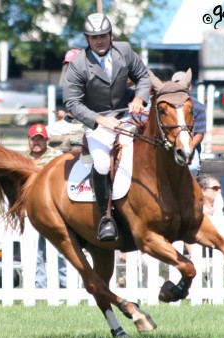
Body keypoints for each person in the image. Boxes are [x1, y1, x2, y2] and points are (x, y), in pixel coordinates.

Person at [63, 12, 151, 242]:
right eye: (94, 37)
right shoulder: (78, 64)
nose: (99, 40)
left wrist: (139, 99)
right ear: (87, 39)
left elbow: (143, 77)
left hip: (128, 112)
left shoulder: (125, 50)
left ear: (110, 35)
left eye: (103, 35)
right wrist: (100, 120)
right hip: (98, 120)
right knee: (102, 163)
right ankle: (107, 217)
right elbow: (71, 102)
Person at [27, 124, 67, 288]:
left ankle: (65, 285)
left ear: (46, 140)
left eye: (40, 139)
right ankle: (39, 287)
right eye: (34, 139)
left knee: (62, 250)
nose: (37, 142)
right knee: (37, 252)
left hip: (54, 210)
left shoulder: (55, 157)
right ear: (28, 140)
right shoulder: (24, 160)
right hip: (31, 212)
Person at [171, 69, 206, 177]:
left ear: (189, 87)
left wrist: (187, 147)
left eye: (183, 85)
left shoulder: (198, 107)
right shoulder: (165, 105)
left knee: (193, 167)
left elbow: (199, 134)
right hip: (166, 146)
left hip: (189, 146)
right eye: (177, 85)